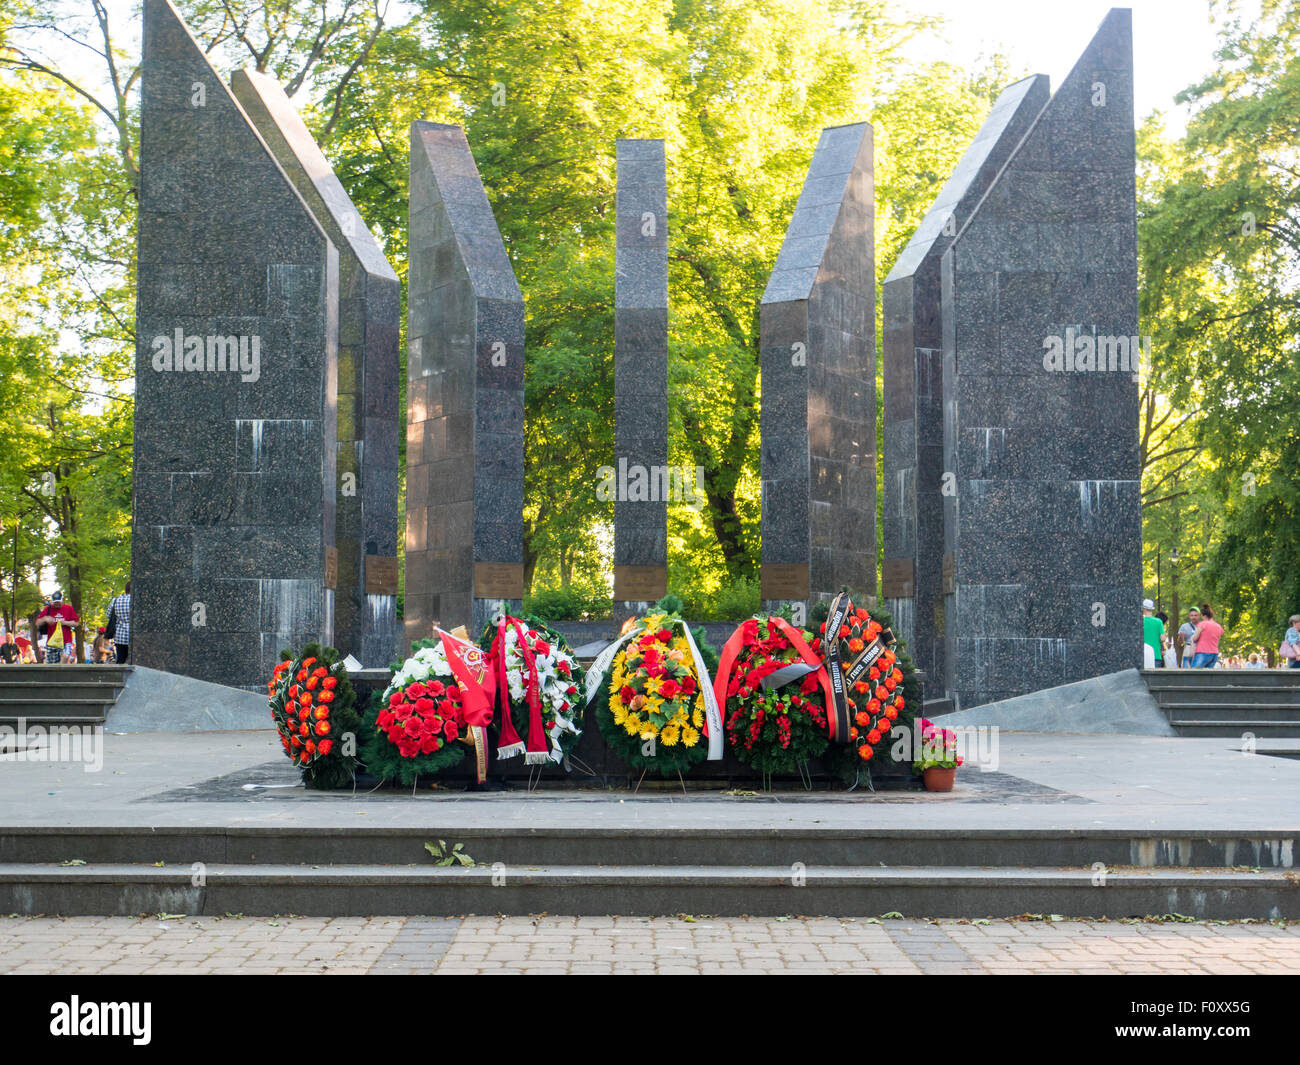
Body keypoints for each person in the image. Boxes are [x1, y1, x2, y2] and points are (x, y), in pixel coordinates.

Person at [36, 591, 80, 665]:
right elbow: (37, 622)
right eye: (55, 602)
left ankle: (61, 672)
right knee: (52, 665)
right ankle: (56, 674)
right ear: (52, 601)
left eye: (58, 602)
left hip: (66, 641)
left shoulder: (69, 608)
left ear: (62, 600)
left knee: (65, 656)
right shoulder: (48, 609)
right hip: (52, 642)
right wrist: (45, 618)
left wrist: (66, 623)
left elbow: (76, 623)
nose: (57, 604)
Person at [1190, 603, 1223, 669]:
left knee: (1194, 673)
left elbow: (1195, 638)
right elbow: (1217, 641)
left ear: (1203, 615)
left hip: (1202, 653)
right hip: (1214, 654)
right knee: (1207, 676)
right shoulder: (1218, 626)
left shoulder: (1202, 624)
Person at [105, 580, 130, 664]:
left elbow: (109, 615)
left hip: (120, 636)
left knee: (120, 660)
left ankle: (120, 677)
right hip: (134, 636)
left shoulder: (116, 600)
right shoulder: (136, 601)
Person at [1142, 598, 1164, 668]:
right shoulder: (1159, 621)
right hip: (1156, 655)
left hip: (1143, 655)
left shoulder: (1141, 621)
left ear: (1144, 609)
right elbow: (1163, 638)